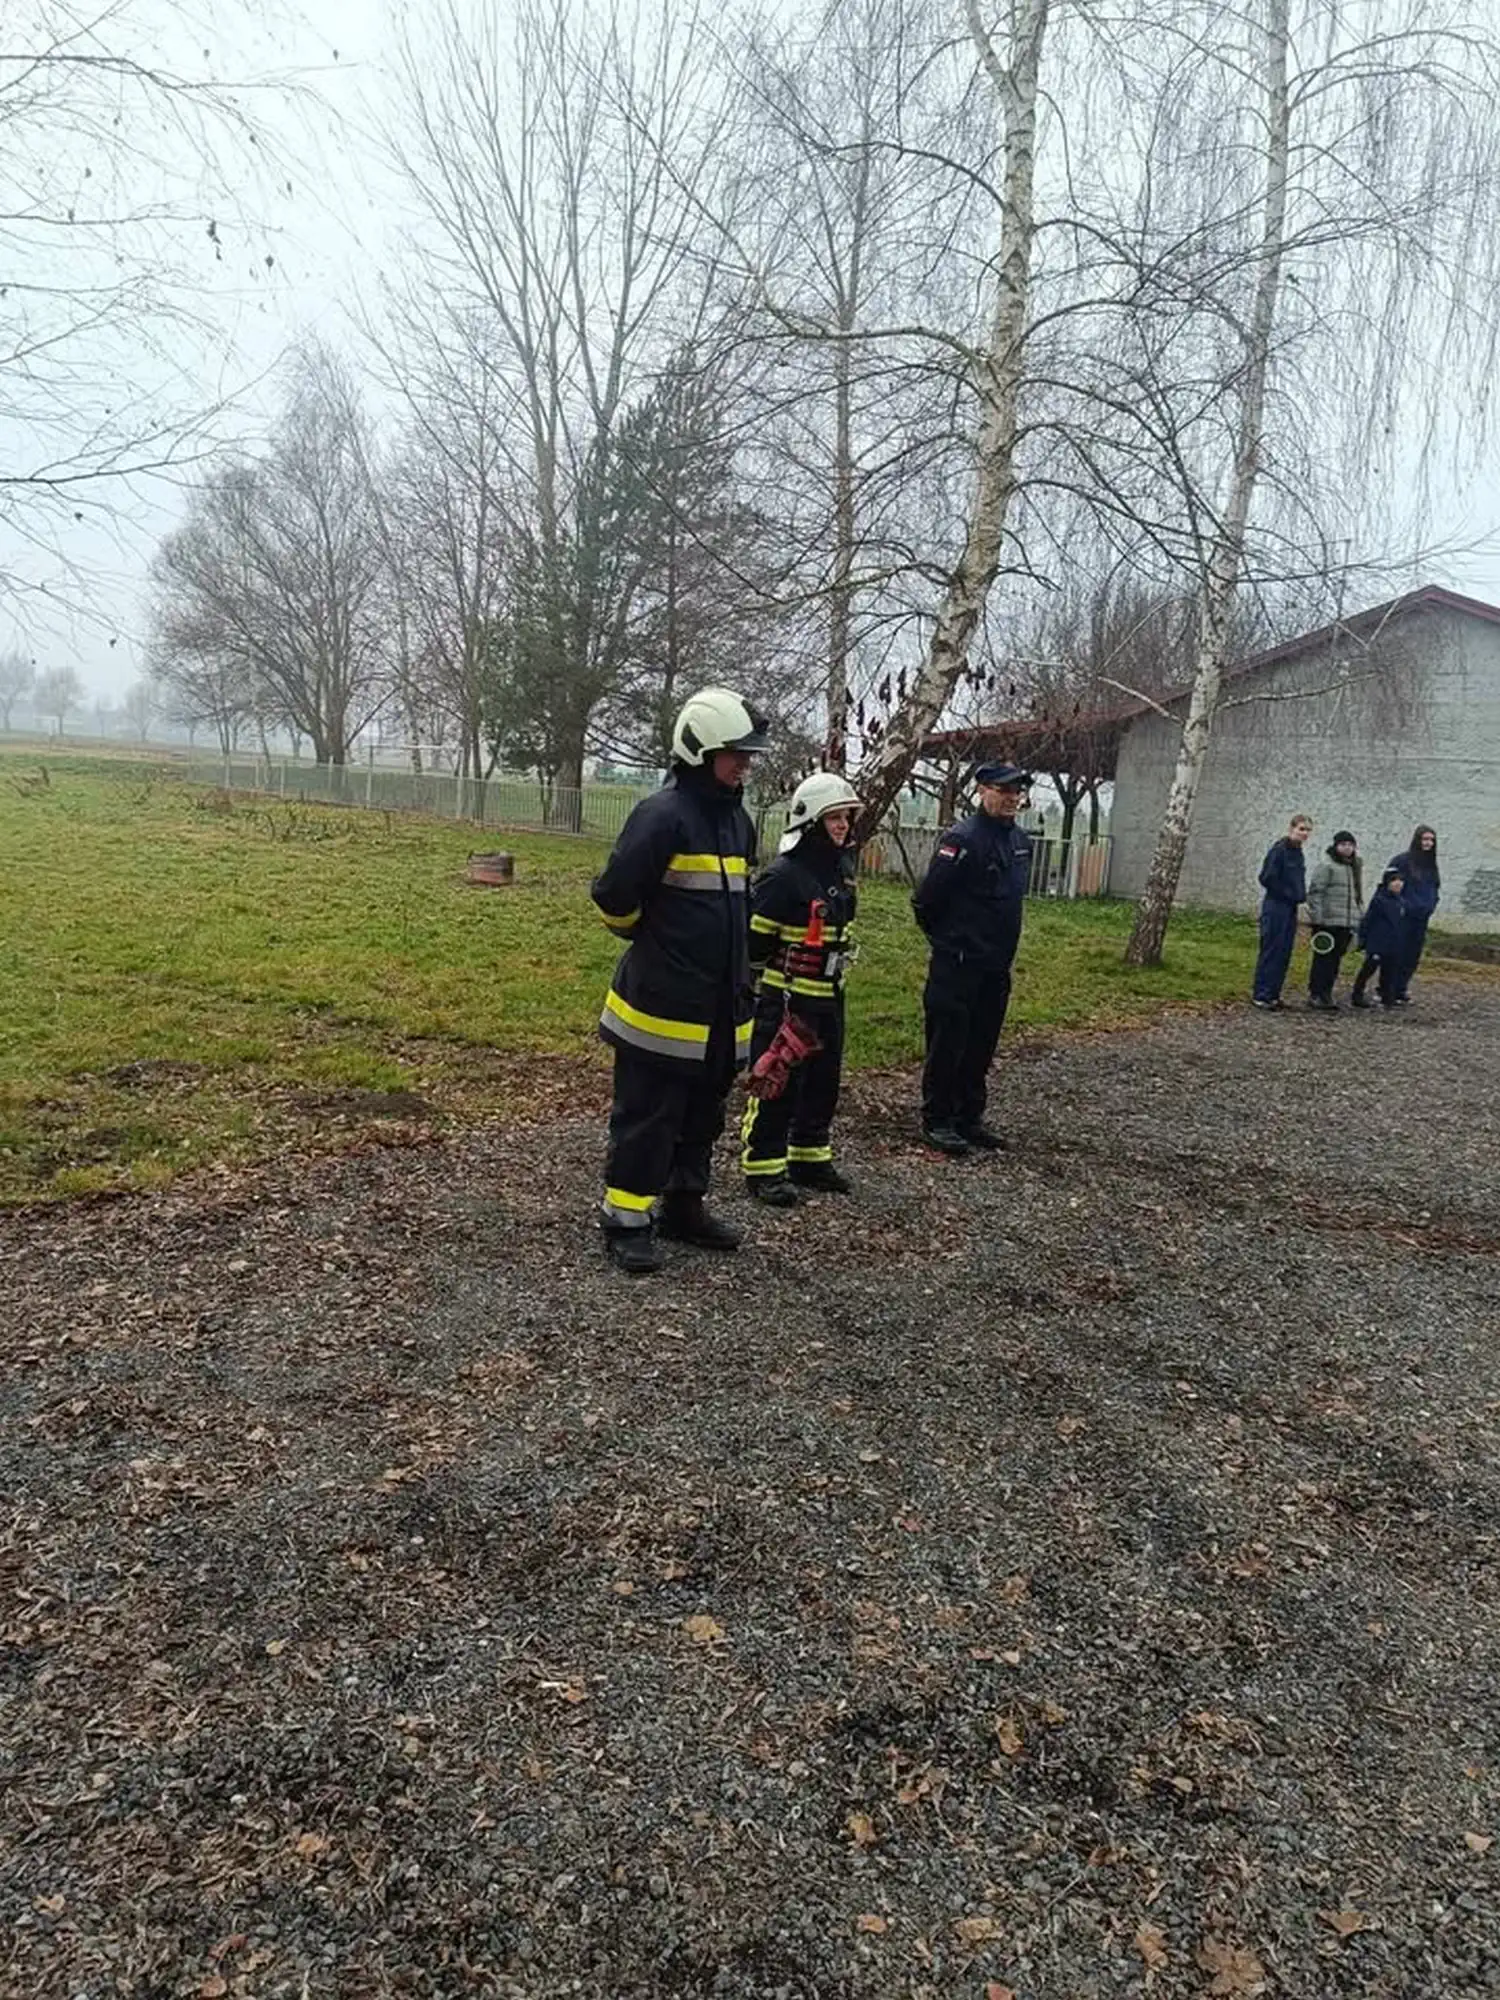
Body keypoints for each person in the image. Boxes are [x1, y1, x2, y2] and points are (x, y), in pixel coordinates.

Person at [590, 687, 771, 1274]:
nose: (745, 763)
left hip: (719, 1008)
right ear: (698, 749)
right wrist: (657, 945)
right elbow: (615, 897)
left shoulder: (737, 821)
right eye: (735, 753)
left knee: (702, 1115)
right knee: (648, 1115)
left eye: (748, 754)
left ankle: (683, 1205)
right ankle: (626, 1219)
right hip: (661, 1008)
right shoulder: (662, 816)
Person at [741, 771, 861, 1205]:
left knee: (824, 1080)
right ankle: (764, 1165)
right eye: (834, 818)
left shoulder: (842, 870)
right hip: (787, 997)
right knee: (777, 1080)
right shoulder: (782, 877)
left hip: (830, 994)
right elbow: (755, 944)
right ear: (810, 821)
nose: (843, 825)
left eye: (846, 817)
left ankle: (810, 1155)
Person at [912, 762, 1034, 1156]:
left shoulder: (1019, 841)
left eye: (1017, 791)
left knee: (981, 1043)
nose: (1012, 798)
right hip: (958, 963)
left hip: (995, 966)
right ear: (983, 790)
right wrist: (948, 942)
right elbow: (929, 899)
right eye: (1003, 790)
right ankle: (938, 1119)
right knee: (949, 1042)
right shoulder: (962, 839)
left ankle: (968, 1117)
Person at [1251, 814, 1312, 1010]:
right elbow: (1267, 877)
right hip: (1276, 905)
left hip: (1290, 907)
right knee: (1272, 949)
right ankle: (1261, 994)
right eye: (1301, 829)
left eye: (1308, 830)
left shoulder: (1298, 853)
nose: (1304, 833)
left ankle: (1273, 993)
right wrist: (1288, 893)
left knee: (1284, 951)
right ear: (1292, 828)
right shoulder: (1279, 851)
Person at [1304, 829, 1363, 1011]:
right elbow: (1316, 893)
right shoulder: (1327, 866)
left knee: (1336, 960)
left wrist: (1359, 916)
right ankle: (1316, 993)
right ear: (1336, 846)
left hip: (1345, 922)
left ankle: (1327, 993)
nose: (1347, 848)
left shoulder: (1354, 867)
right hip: (1327, 922)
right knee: (1323, 959)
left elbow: (1356, 895)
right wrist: (1318, 919)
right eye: (1343, 844)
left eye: (1350, 845)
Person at [1385, 823, 1440, 1003]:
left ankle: (1401, 987)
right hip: (1404, 916)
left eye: (1431, 840)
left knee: (1412, 954)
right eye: (1425, 839)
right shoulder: (1402, 861)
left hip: (1421, 917)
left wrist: (1431, 904)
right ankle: (1387, 989)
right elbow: (1389, 885)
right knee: (1397, 952)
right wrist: (1402, 906)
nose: (1428, 843)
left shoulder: (1431, 865)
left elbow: (1434, 887)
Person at [1351, 867, 1408, 1010]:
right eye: (1394, 880)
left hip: (1393, 943)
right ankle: (1357, 994)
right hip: (1378, 942)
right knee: (1369, 969)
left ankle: (1387, 996)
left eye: (1401, 880)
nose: (1398, 883)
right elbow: (1368, 920)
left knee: (1390, 970)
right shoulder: (1379, 900)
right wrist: (1363, 939)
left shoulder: (1401, 902)